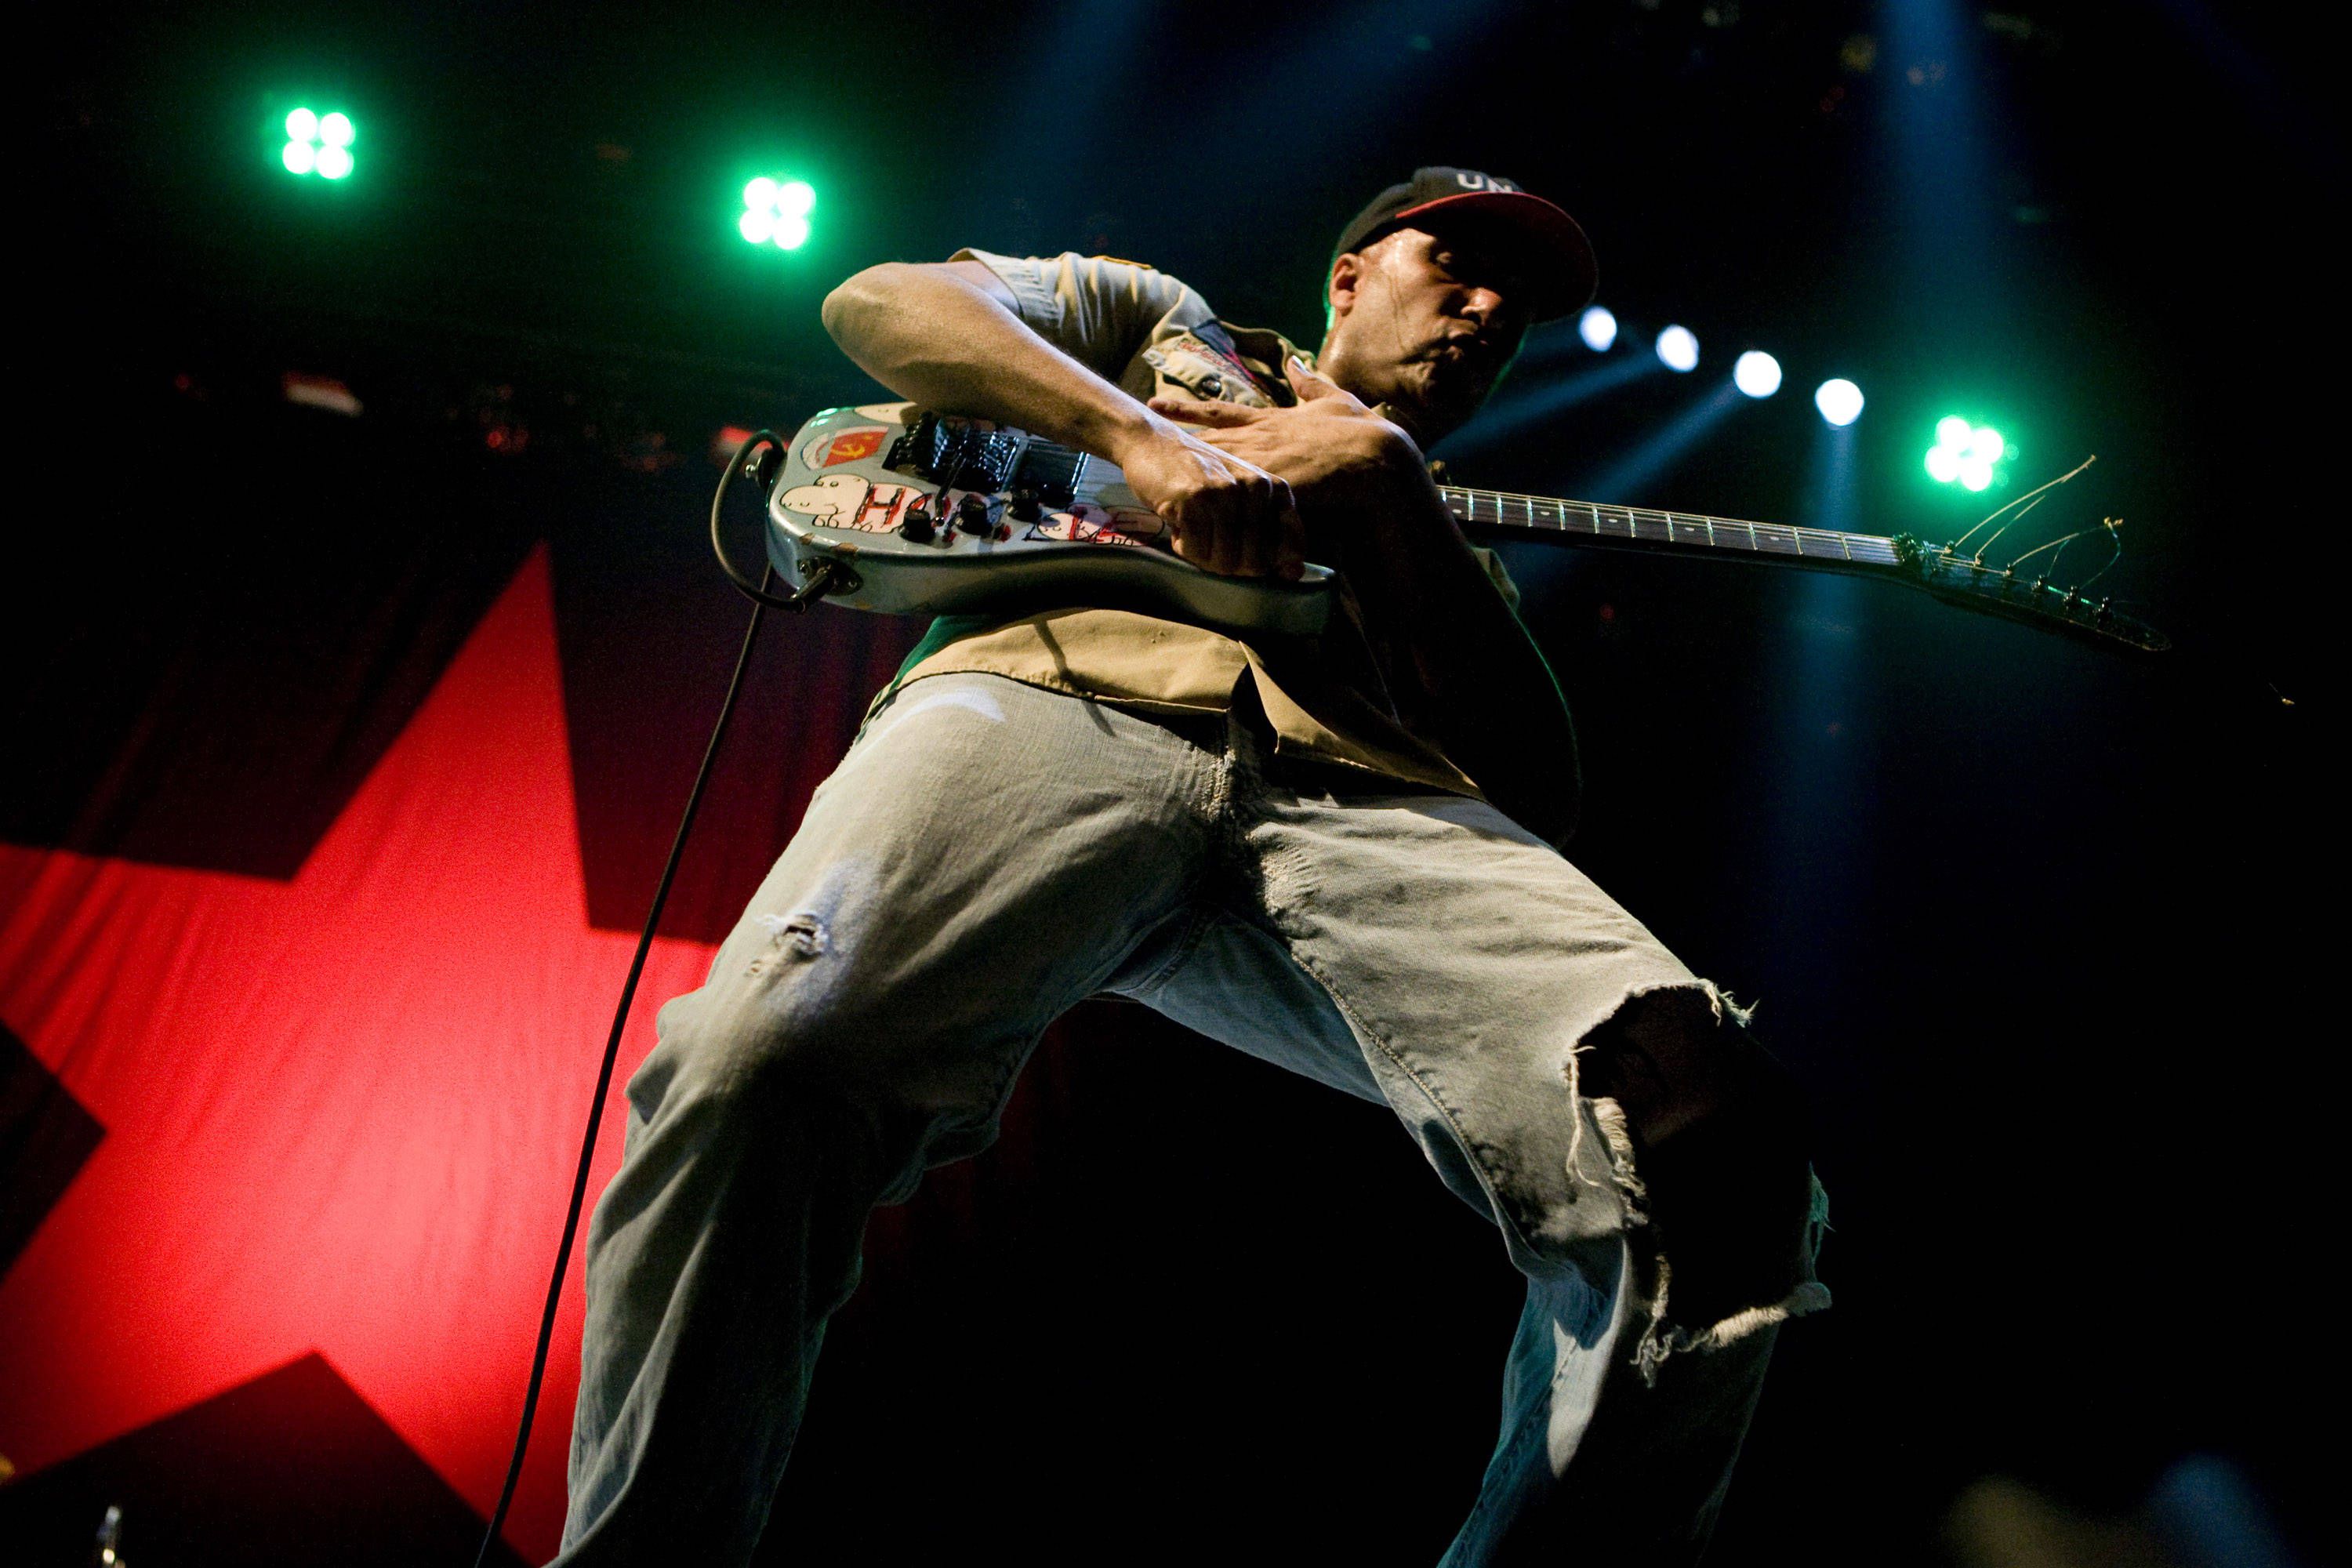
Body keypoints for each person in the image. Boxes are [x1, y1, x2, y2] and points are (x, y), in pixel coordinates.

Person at [556, 167, 1828, 1566]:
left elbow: (1538, 794)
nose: (1484, 311)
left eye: (1512, 311)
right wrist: (1144, 442)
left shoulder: (1441, 530)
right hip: (1049, 701)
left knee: (1709, 1137)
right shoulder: (1162, 322)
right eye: (1453, 266)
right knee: (762, 1063)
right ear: (1349, 276)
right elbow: (882, 305)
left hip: (1350, 801)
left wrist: (1396, 502)